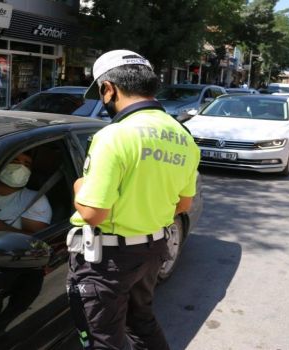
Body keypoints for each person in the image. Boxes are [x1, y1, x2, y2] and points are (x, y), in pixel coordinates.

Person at [66, 50, 200, 350]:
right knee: (141, 323)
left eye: (101, 93)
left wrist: (78, 186)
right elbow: (183, 205)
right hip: (151, 251)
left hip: (108, 261)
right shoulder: (183, 136)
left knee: (102, 339)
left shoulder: (115, 136)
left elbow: (92, 214)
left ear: (109, 89)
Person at [0, 152, 52, 236]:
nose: (21, 167)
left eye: (27, 164)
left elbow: (36, 241)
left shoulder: (34, 200)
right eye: (15, 161)